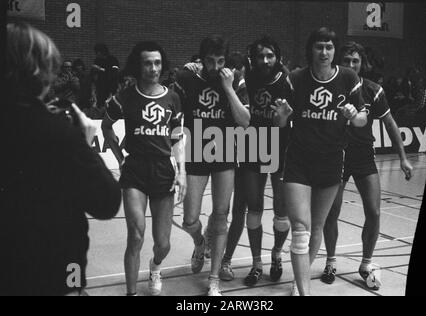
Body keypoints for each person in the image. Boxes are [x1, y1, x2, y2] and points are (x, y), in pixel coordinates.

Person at [0, 22, 121, 296]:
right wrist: (85, 143)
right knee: (73, 283)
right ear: (36, 72)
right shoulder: (56, 132)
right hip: (56, 272)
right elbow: (106, 203)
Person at [273, 27, 368, 296]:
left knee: (316, 227)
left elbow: (362, 120)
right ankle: (305, 292)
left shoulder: (348, 78)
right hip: (299, 160)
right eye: (319, 47)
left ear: (334, 51)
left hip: (331, 160)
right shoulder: (296, 78)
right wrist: (281, 116)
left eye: (328, 47)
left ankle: (298, 280)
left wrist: (352, 114)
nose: (324, 52)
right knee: (300, 228)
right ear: (310, 49)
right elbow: (279, 122)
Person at [321, 41, 414, 290]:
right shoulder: (330, 88)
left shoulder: (374, 90)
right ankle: (330, 261)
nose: (351, 65)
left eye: (355, 61)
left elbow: (391, 124)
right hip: (336, 156)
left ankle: (366, 263)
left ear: (362, 63)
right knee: (332, 212)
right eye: (346, 60)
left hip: (363, 156)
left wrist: (403, 158)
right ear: (338, 62)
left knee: (373, 212)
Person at [101, 41, 187, 296]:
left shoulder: (173, 98)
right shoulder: (126, 95)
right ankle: (131, 293)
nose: (153, 68)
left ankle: (155, 266)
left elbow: (178, 138)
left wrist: (181, 171)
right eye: (148, 63)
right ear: (138, 66)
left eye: (157, 63)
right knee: (136, 236)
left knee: (163, 244)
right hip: (135, 170)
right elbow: (106, 127)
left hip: (163, 171)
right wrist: (120, 158)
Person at [174, 35, 250, 296]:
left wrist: (228, 88)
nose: (215, 67)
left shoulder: (235, 78)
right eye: (210, 61)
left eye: (220, 61)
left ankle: (214, 279)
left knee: (220, 216)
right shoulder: (187, 78)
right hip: (197, 150)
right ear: (201, 59)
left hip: (226, 151)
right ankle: (199, 242)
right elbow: (174, 111)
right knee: (189, 218)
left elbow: (245, 121)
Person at [217, 37, 294, 287]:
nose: (265, 60)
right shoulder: (246, 77)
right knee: (254, 211)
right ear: (253, 57)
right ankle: (257, 263)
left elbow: (287, 120)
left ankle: (277, 255)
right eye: (261, 56)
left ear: (277, 56)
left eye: (270, 55)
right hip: (253, 146)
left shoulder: (287, 80)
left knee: (282, 215)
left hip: (281, 149)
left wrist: (282, 120)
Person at [92, 43, 120, 108]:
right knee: (100, 107)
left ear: (101, 52)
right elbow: (94, 76)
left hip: (111, 88)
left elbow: (114, 73)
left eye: (97, 52)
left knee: (110, 107)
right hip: (100, 89)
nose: (96, 54)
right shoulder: (97, 61)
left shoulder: (113, 60)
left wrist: (100, 69)